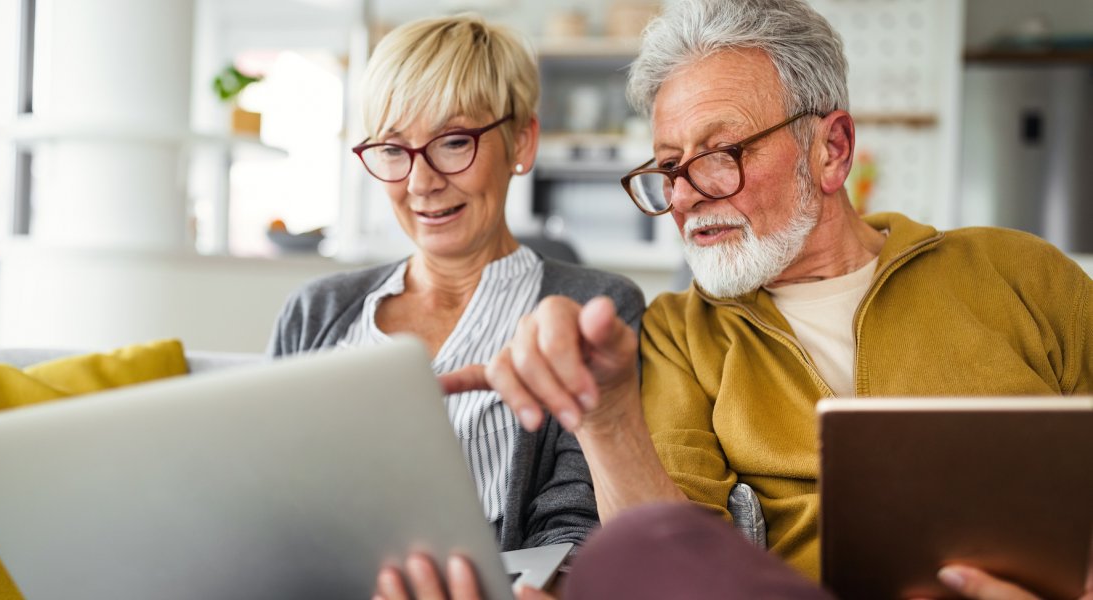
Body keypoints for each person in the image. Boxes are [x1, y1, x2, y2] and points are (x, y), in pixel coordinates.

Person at [376, 0, 1093, 598]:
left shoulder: (1021, 274)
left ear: (831, 149)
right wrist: (607, 418)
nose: (686, 195)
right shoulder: (679, 334)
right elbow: (667, 564)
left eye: (720, 155)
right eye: (669, 167)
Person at [267, 14, 645, 555]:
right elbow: (266, 495)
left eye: (452, 142)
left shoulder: (596, 311)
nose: (421, 182)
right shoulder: (315, 311)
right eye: (393, 149)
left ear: (521, 142)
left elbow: (575, 534)